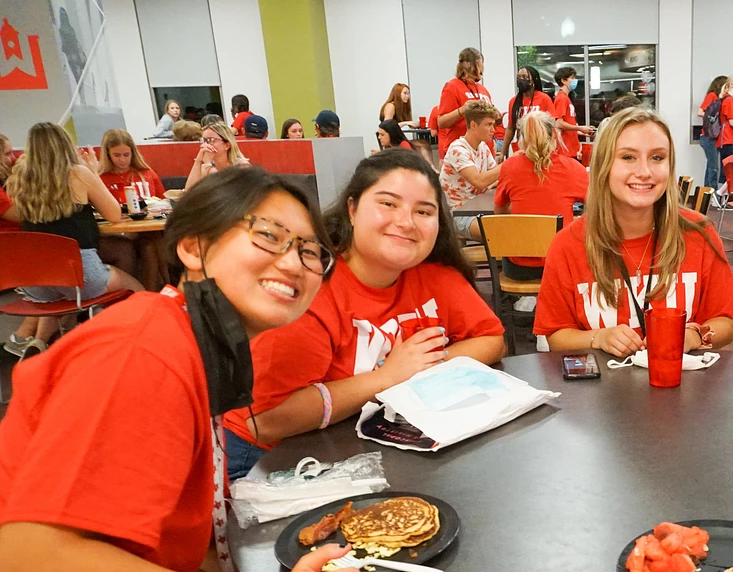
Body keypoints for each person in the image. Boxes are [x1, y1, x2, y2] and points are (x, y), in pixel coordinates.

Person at [0, 166, 381, 572]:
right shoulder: (143, 349)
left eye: (312, 252)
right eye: (268, 236)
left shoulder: (180, 343)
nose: (296, 263)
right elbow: (22, 561)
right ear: (193, 247)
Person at [222, 149, 506, 478]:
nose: (406, 222)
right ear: (353, 210)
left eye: (424, 211)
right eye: (388, 204)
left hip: (364, 444)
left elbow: (492, 340)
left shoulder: (433, 275)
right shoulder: (308, 287)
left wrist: (422, 365)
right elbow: (265, 421)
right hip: (270, 459)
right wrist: (388, 377)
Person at [533, 106, 733, 356]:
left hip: (681, 387)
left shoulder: (699, 232)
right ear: (604, 165)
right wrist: (599, 337)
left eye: (657, 158)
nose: (644, 172)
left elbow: (726, 323)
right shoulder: (568, 244)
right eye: (628, 157)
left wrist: (692, 336)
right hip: (602, 392)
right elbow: (556, 336)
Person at [4, 122, 143, 357]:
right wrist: (92, 172)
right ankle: (139, 334)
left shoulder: (19, 179)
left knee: (64, 292)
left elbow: (21, 216)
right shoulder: (78, 173)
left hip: (35, 281)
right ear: (66, 145)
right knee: (136, 288)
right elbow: (114, 214)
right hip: (80, 275)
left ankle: (49, 342)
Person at [495, 110, 589, 279]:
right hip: (562, 264)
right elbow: (596, 209)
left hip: (518, 267)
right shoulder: (573, 169)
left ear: (522, 139)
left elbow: (499, 213)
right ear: (554, 134)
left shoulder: (509, 167)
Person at [439, 100, 501, 241]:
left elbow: (496, 178)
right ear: (473, 125)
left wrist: (488, 183)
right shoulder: (458, 149)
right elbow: (479, 181)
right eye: (489, 125)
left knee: (517, 225)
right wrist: (509, 164)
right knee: (500, 234)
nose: (493, 130)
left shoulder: (483, 147)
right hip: (458, 214)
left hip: (480, 208)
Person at [438, 47, 492, 160]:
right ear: (477, 64)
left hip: (483, 151)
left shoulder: (483, 89)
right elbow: (441, 122)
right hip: (461, 152)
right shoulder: (452, 87)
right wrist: (462, 110)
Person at [97, 127, 167, 202]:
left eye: (126, 155)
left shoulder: (148, 174)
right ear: (108, 155)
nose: (122, 159)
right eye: (117, 155)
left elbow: (164, 203)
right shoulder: (100, 179)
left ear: (133, 153)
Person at [500, 65, 553, 159]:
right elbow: (511, 128)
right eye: (518, 77)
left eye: (524, 77)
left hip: (541, 148)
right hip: (521, 148)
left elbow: (552, 127)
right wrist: (502, 153)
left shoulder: (544, 99)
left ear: (534, 79)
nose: (521, 80)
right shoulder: (514, 101)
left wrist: (552, 149)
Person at [185, 121, 250, 189]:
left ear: (227, 145)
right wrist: (198, 160)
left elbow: (223, 191)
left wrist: (208, 165)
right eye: (204, 140)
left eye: (211, 140)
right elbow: (189, 190)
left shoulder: (242, 167)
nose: (206, 144)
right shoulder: (206, 166)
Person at [551, 67, 595, 160]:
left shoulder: (566, 98)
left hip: (570, 149)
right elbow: (559, 123)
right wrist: (580, 128)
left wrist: (582, 132)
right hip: (565, 150)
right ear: (563, 80)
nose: (575, 80)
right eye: (572, 78)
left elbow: (567, 126)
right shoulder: (562, 98)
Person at [697, 74, 727, 190]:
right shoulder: (712, 96)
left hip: (711, 137)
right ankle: (713, 194)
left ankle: (707, 193)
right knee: (713, 167)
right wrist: (713, 119)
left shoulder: (720, 98)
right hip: (708, 136)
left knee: (711, 166)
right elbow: (700, 112)